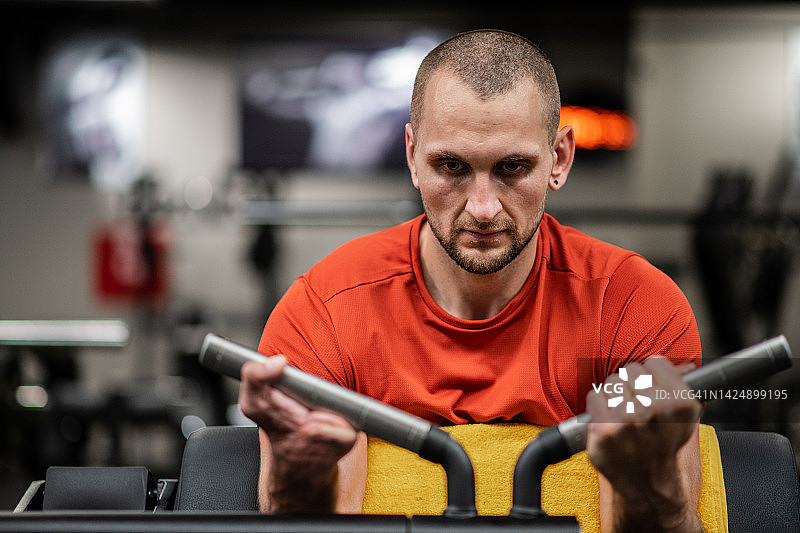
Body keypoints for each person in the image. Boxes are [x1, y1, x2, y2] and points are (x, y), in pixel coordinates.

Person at [239, 29, 704, 532]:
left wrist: (652, 491)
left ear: (560, 159)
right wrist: (297, 481)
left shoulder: (633, 308)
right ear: (413, 156)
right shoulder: (325, 312)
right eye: (452, 166)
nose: (483, 209)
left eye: (512, 167)